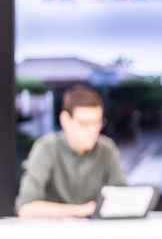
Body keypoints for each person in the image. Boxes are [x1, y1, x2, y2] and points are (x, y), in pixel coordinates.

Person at [16, 85, 127, 218]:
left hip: (97, 229)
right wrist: (83, 210)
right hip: (54, 229)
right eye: (84, 123)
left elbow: (123, 198)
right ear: (65, 120)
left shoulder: (106, 149)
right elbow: (26, 208)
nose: (92, 130)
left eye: (97, 123)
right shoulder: (46, 147)